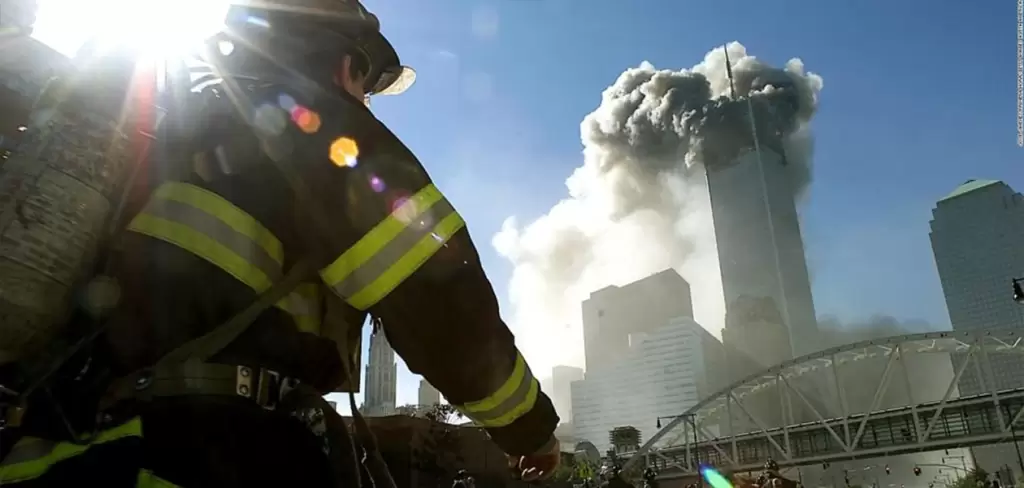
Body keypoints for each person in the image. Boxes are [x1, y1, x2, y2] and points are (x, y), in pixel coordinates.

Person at [0, 0, 560, 486]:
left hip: (72, 452)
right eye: (367, 86)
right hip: (219, 450)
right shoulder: (317, 127)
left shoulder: (170, 130)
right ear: (348, 63)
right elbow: (440, 300)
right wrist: (529, 428)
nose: (367, 103)